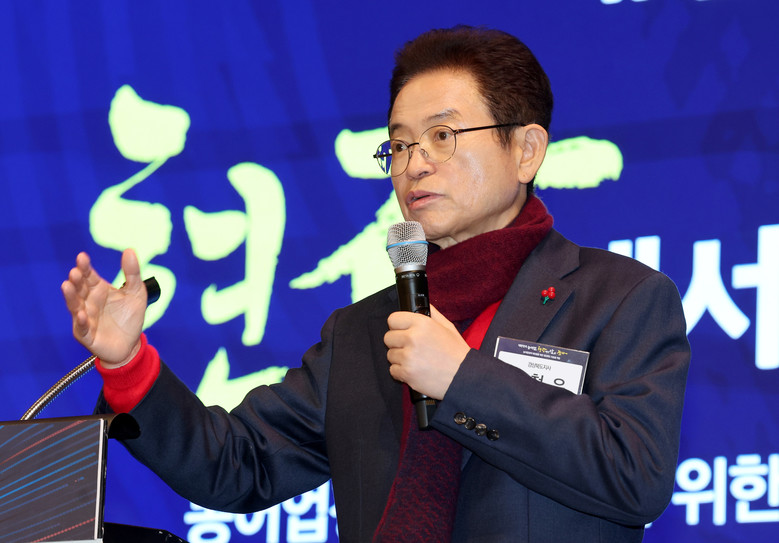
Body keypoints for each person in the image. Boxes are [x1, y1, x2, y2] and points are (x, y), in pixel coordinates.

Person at [62, 26, 690, 543]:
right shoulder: (364, 331)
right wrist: (129, 365)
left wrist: (461, 380)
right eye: (398, 145)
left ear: (526, 150)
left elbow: (635, 476)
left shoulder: (618, 300)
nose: (414, 164)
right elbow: (235, 466)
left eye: (442, 136)